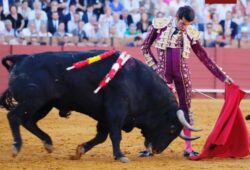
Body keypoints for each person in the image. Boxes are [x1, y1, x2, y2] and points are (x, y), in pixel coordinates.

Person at [140, 6, 233, 158]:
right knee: (155, 110)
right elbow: (145, 47)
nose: (184, 27)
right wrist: (156, 68)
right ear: (177, 17)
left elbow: (204, 57)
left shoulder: (190, 33)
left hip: (183, 76)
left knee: (186, 108)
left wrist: (222, 76)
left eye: (187, 25)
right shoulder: (160, 26)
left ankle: (188, 147)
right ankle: (149, 146)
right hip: (162, 76)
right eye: (183, 23)